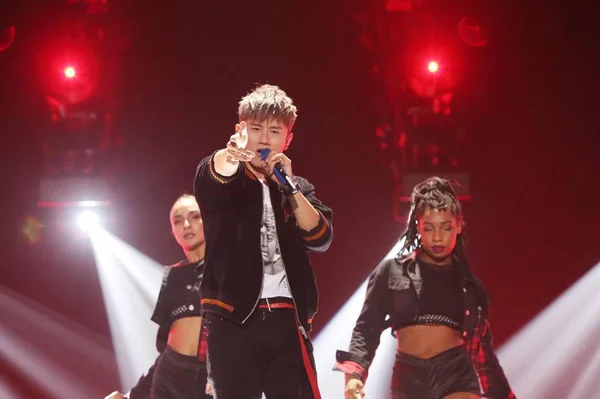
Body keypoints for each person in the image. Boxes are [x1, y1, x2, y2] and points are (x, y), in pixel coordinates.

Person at [193, 84, 333, 399]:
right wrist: (230, 155)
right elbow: (212, 179)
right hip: (232, 317)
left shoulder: (296, 187)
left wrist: (291, 187)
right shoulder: (223, 175)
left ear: (288, 139)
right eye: (255, 129)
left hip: (287, 318)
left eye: (274, 131)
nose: (264, 139)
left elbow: (321, 238)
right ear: (240, 130)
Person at [334, 177, 516, 399]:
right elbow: (366, 328)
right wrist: (354, 376)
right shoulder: (391, 272)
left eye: (446, 227)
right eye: (429, 228)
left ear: (458, 226)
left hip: (455, 373)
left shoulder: (469, 285)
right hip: (408, 377)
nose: (437, 237)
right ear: (417, 226)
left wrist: (505, 395)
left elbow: (482, 352)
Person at [104, 194, 213, 399]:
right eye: (178, 221)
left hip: (212, 379)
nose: (186, 225)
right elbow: (165, 351)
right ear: (173, 231)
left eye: (195, 217)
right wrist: (131, 395)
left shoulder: (228, 267)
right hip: (169, 376)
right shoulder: (172, 275)